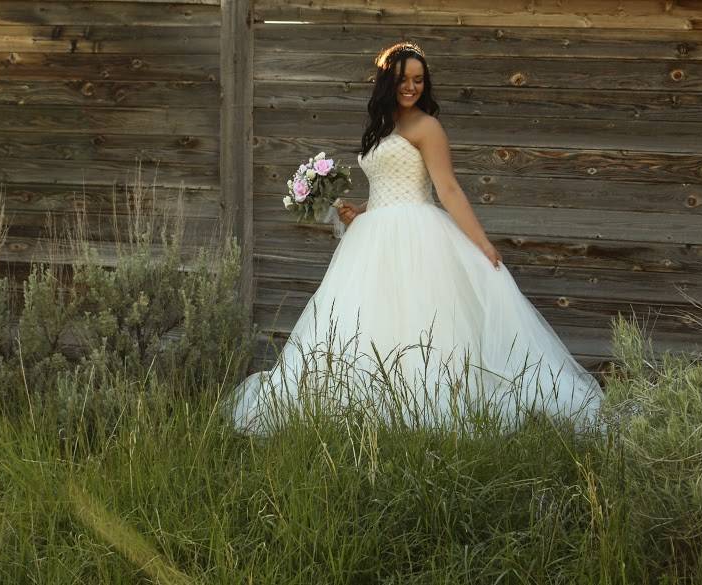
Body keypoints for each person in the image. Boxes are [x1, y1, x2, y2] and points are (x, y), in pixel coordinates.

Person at [225, 42, 604, 435]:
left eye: (418, 80)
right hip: (374, 237)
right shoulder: (382, 126)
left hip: (419, 235)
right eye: (404, 79)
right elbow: (389, 187)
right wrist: (361, 210)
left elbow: (448, 189)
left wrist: (482, 243)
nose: (411, 87)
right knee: (367, 319)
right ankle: (367, 406)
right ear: (387, 81)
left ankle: (431, 405)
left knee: (424, 320)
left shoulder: (428, 126)